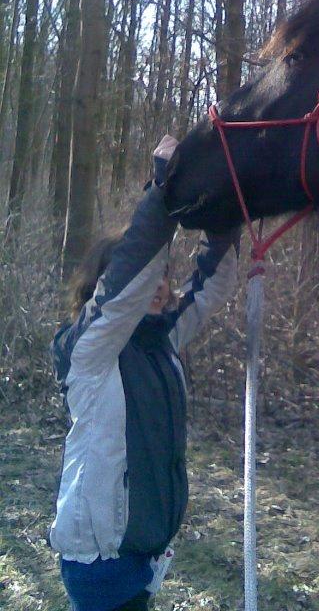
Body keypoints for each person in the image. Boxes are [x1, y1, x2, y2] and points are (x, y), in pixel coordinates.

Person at [49, 136, 240, 611]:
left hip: (147, 554)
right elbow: (125, 289)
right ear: (100, 287)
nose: (158, 287)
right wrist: (163, 193)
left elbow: (212, 285)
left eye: (164, 277)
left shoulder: (162, 341)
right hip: (99, 559)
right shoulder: (88, 352)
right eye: (147, 277)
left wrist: (223, 219)